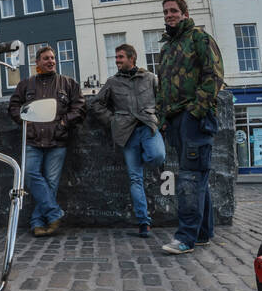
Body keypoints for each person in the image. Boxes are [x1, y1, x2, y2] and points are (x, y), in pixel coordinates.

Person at [154, 0, 224, 254]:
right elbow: (162, 87)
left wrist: (195, 111)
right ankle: (203, 233)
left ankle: (185, 238)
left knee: (189, 180)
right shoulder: (168, 48)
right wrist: (162, 118)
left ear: (184, 13)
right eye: (165, 12)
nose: (169, 15)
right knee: (197, 179)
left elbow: (214, 76)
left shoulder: (199, 38)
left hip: (194, 119)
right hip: (174, 121)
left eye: (173, 11)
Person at [88, 44, 164, 237]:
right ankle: (143, 222)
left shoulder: (149, 78)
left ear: (132, 58)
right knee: (135, 178)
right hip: (126, 134)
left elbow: (163, 99)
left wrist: (161, 119)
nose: (117, 60)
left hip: (148, 127)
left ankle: (143, 160)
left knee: (158, 157)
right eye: (116, 57)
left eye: (121, 57)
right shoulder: (112, 82)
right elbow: (97, 104)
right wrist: (112, 121)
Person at [8, 45, 85, 236]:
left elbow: (80, 107)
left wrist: (64, 123)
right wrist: (27, 122)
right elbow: (13, 107)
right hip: (33, 140)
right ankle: (54, 213)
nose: (50, 61)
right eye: (46, 58)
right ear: (38, 62)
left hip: (57, 141)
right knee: (30, 175)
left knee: (51, 183)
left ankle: (37, 223)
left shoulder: (68, 83)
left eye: (52, 58)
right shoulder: (26, 84)